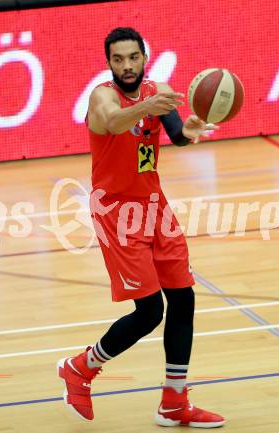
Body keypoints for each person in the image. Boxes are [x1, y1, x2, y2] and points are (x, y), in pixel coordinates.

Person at [57, 27, 225, 428]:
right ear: (109, 62)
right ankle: (80, 367)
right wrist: (150, 102)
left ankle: (174, 402)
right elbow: (115, 123)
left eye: (133, 57)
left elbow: (174, 134)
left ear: (143, 56)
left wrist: (189, 131)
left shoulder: (157, 89)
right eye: (118, 59)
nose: (127, 65)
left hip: (155, 207)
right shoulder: (102, 97)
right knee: (150, 311)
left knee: (183, 301)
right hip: (116, 212)